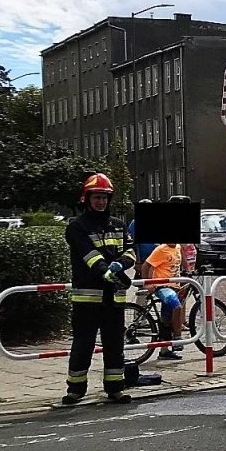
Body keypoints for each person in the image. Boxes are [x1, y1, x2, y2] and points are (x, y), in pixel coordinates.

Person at [62, 173, 137, 405]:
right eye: (96, 197)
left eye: (104, 197)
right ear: (87, 199)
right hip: (87, 299)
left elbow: (131, 251)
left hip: (114, 299)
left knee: (115, 345)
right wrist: (105, 271)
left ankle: (116, 388)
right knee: (83, 346)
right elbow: (89, 254)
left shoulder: (118, 225)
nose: (101, 202)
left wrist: (120, 264)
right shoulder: (76, 227)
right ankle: (75, 390)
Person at [141, 241, 186, 360]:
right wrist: (147, 284)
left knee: (166, 319)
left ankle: (164, 351)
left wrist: (188, 271)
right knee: (177, 307)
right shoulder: (161, 249)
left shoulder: (178, 247)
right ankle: (177, 338)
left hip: (174, 286)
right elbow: (145, 266)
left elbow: (182, 260)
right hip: (163, 287)